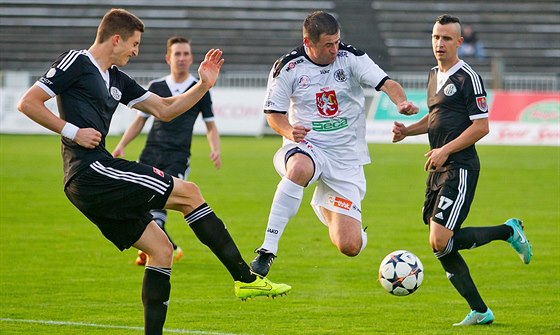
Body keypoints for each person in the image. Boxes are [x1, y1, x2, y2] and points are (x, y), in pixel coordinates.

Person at [17, 8, 290, 335]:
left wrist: (203, 85)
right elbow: (28, 102)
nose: (136, 51)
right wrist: (72, 131)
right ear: (116, 39)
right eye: (134, 44)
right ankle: (246, 279)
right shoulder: (76, 61)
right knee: (190, 193)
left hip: (94, 180)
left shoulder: (116, 78)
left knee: (161, 250)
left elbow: (164, 109)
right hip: (91, 170)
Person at [250, 11, 419, 277]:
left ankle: (327, 205)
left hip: (346, 158)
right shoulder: (288, 67)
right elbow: (273, 114)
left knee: (349, 246)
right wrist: (289, 130)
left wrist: (401, 102)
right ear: (308, 43)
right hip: (308, 146)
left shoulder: (351, 58)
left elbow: (387, 83)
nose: (334, 49)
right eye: (328, 44)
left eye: (337, 42)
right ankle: (267, 249)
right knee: (299, 169)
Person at [391, 14, 532, 326]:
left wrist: (445, 150)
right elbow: (435, 117)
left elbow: (481, 126)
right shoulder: (432, 75)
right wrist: (408, 131)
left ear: (459, 42)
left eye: (446, 39)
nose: (439, 44)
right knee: (439, 244)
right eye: (436, 37)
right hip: (437, 168)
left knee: (440, 241)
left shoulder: (468, 77)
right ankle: (481, 311)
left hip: (460, 166)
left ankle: (508, 231)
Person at [112, 36, 222, 266]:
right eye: (177, 54)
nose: (181, 58)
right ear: (168, 58)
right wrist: (122, 144)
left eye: (185, 54)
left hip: (178, 156)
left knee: (160, 200)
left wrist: (215, 149)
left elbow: (211, 125)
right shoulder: (156, 87)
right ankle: (167, 247)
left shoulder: (199, 88)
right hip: (151, 152)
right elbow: (139, 121)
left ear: (191, 58)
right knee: (144, 200)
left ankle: (156, 248)